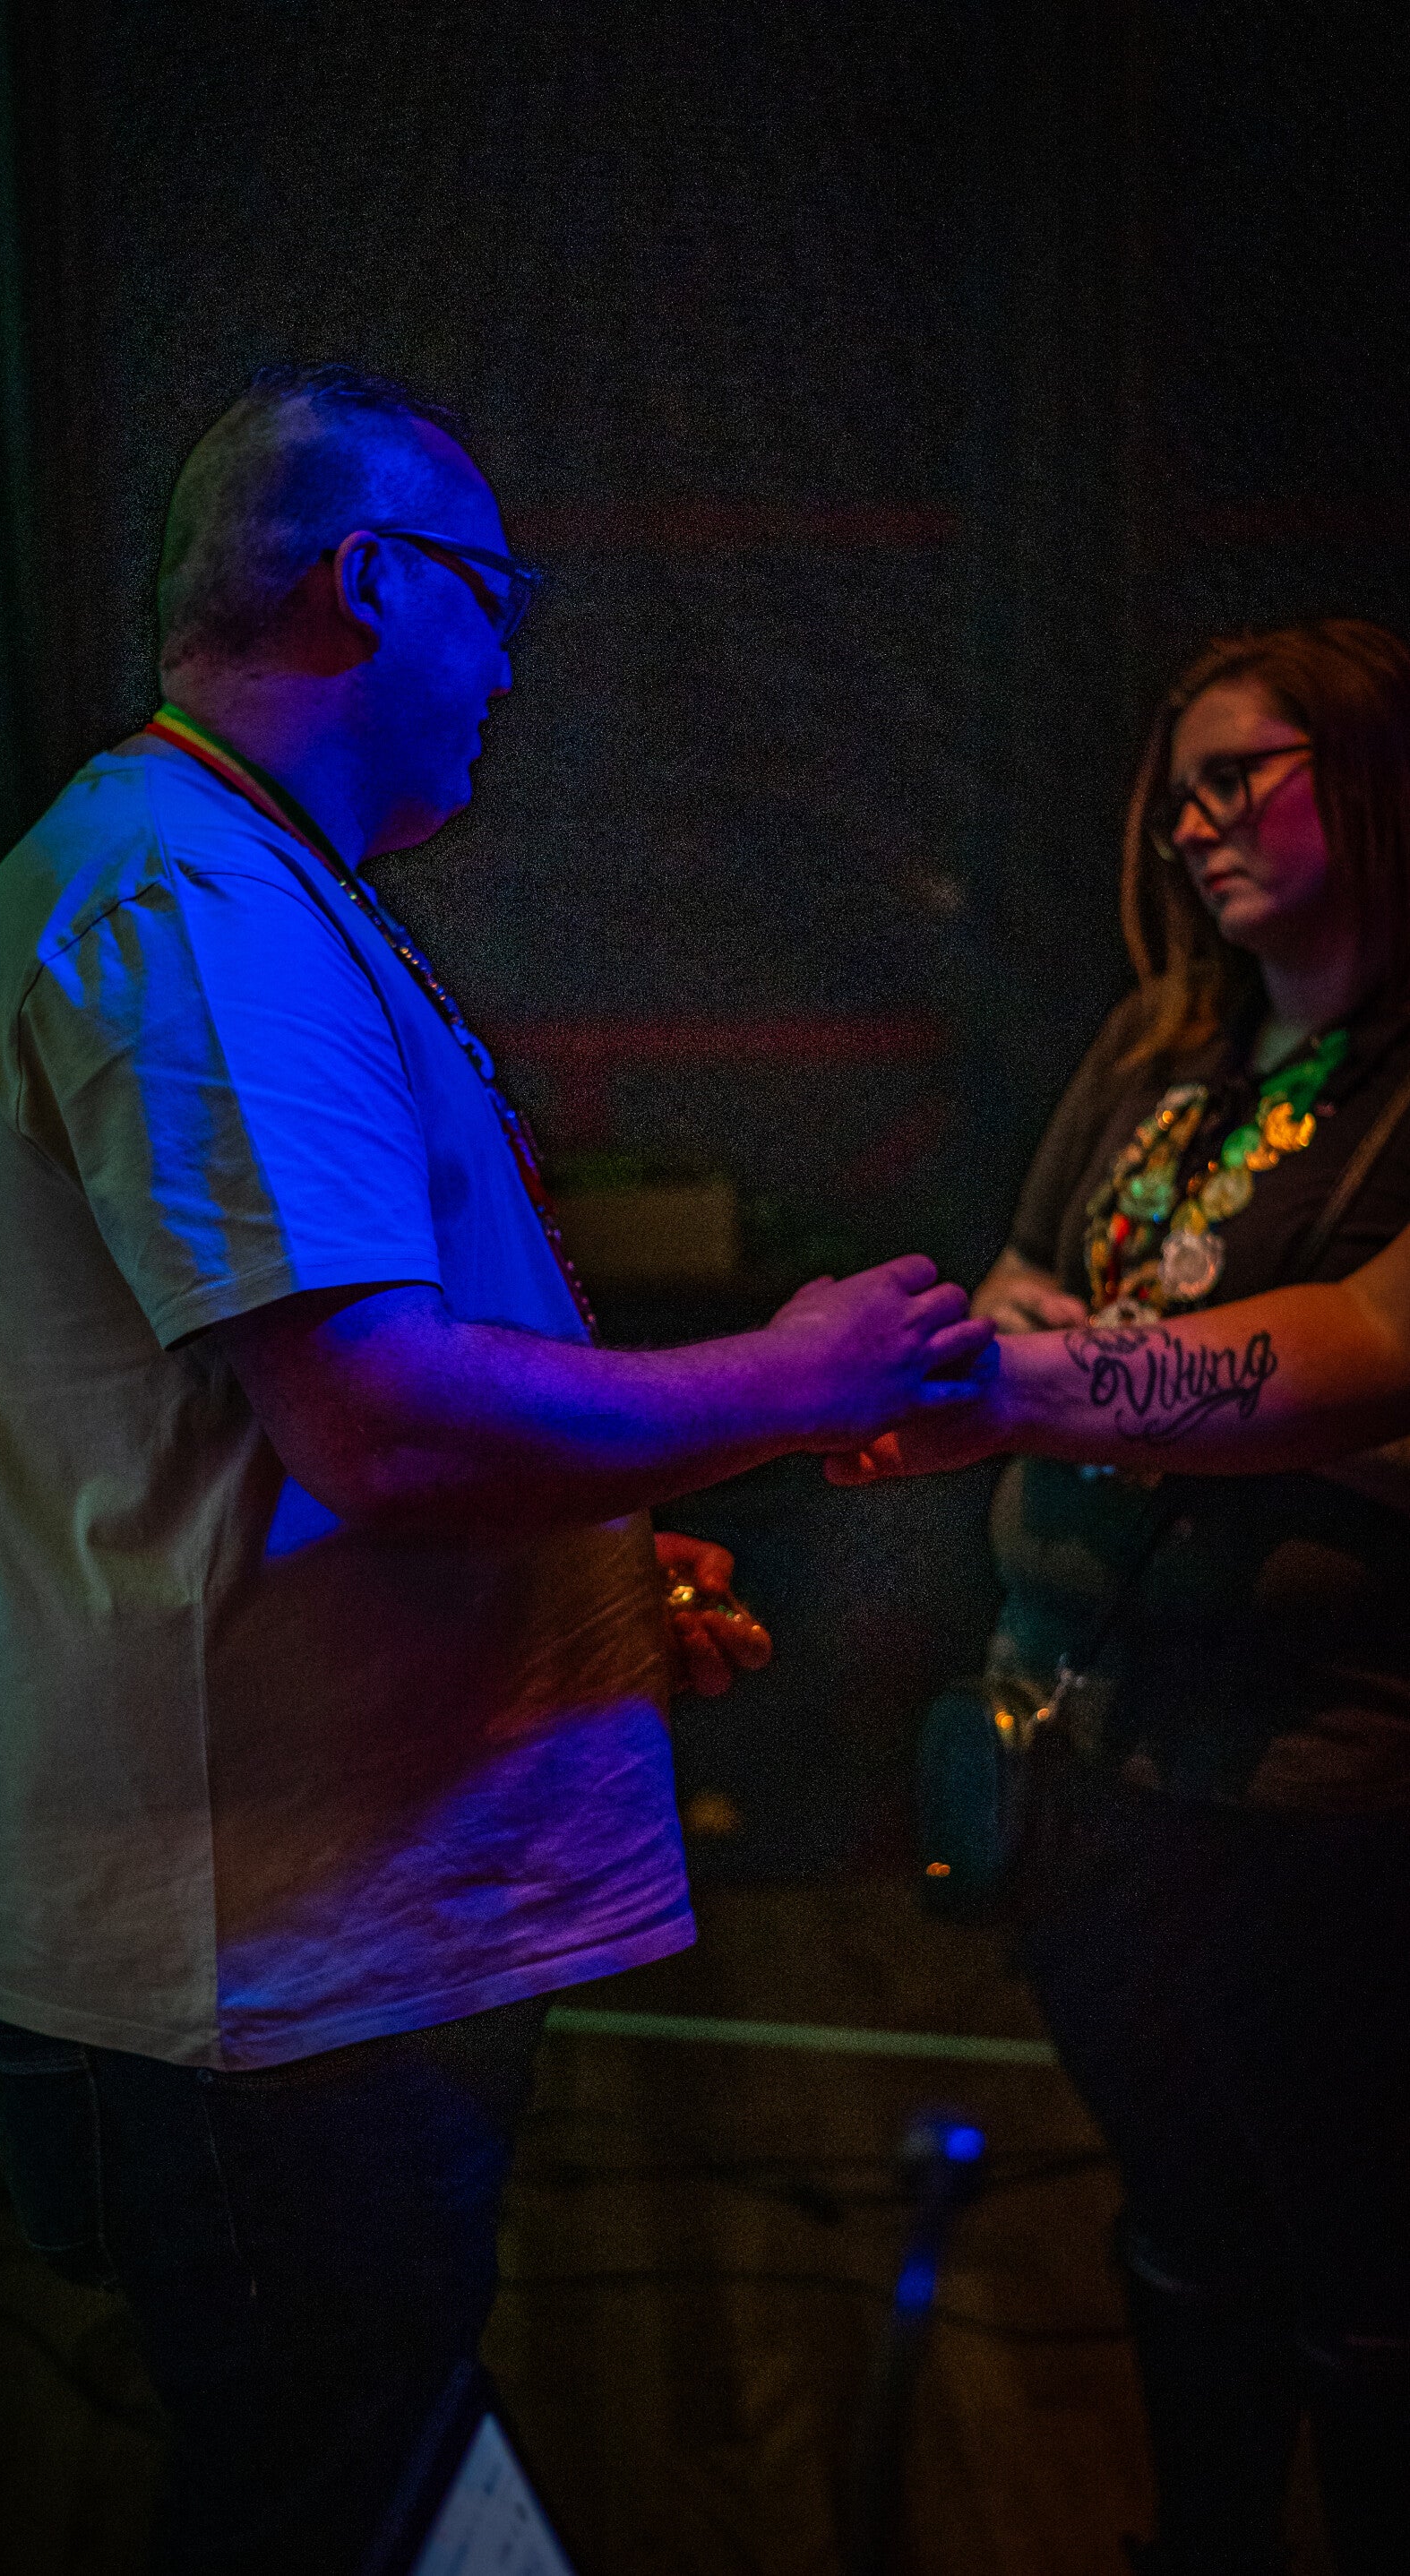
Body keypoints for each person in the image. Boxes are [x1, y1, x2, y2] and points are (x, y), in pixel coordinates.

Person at [0, 360, 994, 2572]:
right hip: (277, 1972)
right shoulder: (193, 902)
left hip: (298, 1947)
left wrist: (576, 1572)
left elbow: (278, 1438)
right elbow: (383, 1419)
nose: (510, 663)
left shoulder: (225, 877)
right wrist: (796, 1374)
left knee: (345, 2477)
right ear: (377, 583)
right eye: (496, 599)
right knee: (326, 2503)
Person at [831, 618, 1410, 2574]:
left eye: (1242, 774)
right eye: (1178, 791)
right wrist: (1112, 1368)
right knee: (1179, 2222)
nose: (1191, 821)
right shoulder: (1159, 1045)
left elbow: (1355, 1347)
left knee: (1365, 2269)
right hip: (1087, 1754)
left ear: (1378, 774)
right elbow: (1016, 1281)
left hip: (1319, 1797)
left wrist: (1051, 1377)